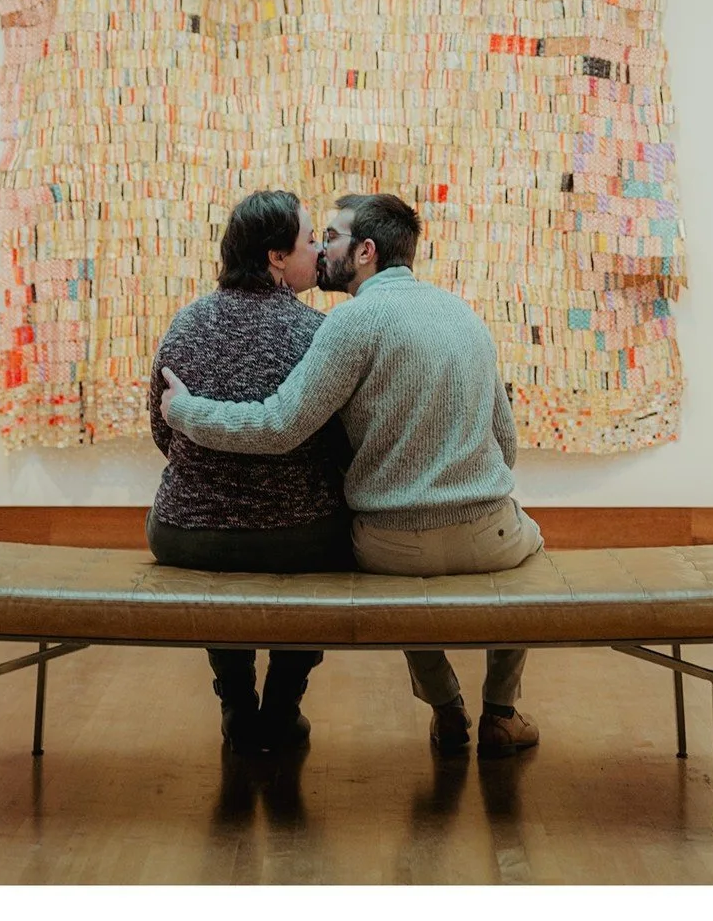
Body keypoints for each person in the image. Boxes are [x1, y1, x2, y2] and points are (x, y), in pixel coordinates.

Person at [162, 191, 544, 760]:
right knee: (528, 550)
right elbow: (506, 446)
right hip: (489, 537)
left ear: (365, 251)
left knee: (401, 576)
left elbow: (278, 427)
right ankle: (501, 712)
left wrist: (186, 412)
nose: (321, 253)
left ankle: (446, 708)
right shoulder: (464, 314)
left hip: (390, 546)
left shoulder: (349, 323)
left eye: (331, 238)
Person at [147, 189, 353, 756]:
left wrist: (213, 483)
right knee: (333, 546)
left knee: (222, 567)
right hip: (301, 538)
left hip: (187, 536)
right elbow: (340, 445)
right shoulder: (317, 334)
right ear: (275, 258)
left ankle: (237, 704)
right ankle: (283, 707)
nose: (319, 252)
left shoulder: (186, 324)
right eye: (310, 241)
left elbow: (164, 430)